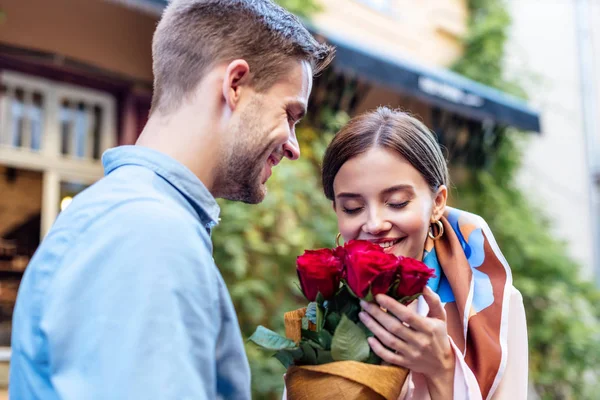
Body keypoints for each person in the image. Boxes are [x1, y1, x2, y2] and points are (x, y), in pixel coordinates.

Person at [9, 1, 333, 399]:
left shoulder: (134, 218)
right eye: (290, 114)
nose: (294, 146)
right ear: (234, 84)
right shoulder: (148, 234)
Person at [319, 107, 528, 399]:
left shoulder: (495, 307)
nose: (375, 224)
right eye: (352, 207)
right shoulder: (328, 302)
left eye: (397, 202)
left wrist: (441, 370)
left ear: (438, 202)